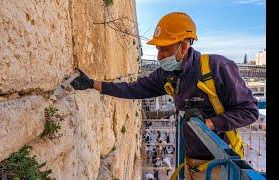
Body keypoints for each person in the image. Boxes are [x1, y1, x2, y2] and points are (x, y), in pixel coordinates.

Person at [70, 12, 259, 180]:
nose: (159, 56)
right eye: (158, 49)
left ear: (183, 48)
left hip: (221, 164)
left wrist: (209, 123)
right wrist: (93, 84)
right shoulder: (167, 75)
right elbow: (133, 89)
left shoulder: (217, 68)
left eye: (165, 49)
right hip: (192, 163)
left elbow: (249, 111)